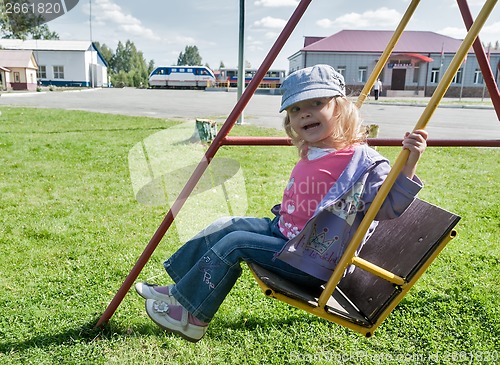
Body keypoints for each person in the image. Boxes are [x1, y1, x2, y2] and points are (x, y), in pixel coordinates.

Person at [135, 64, 428, 342]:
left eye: (316, 104)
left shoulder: (361, 162)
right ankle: (180, 290)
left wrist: (410, 162)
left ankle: (193, 318)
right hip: (284, 234)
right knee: (225, 225)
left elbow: (388, 206)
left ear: (340, 108)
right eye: (296, 109)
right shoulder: (314, 149)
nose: (304, 114)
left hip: (310, 261)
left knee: (235, 242)